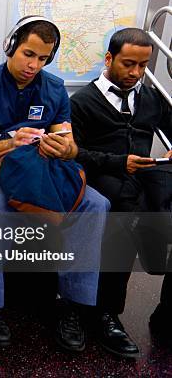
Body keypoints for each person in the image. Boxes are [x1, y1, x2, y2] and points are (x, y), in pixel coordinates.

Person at [0, 16, 110, 351]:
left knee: (96, 204)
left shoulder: (54, 89)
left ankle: (72, 306)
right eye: (28, 54)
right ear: (12, 47)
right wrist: (12, 143)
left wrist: (65, 148)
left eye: (42, 59)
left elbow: (67, 143)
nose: (33, 65)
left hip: (42, 166)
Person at [71, 27, 172, 357]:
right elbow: (74, 153)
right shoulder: (83, 102)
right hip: (103, 175)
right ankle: (106, 313)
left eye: (143, 66)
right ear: (109, 59)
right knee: (125, 213)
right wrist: (118, 162)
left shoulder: (149, 97)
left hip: (145, 174)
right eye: (129, 64)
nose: (136, 73)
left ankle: (167, 307)